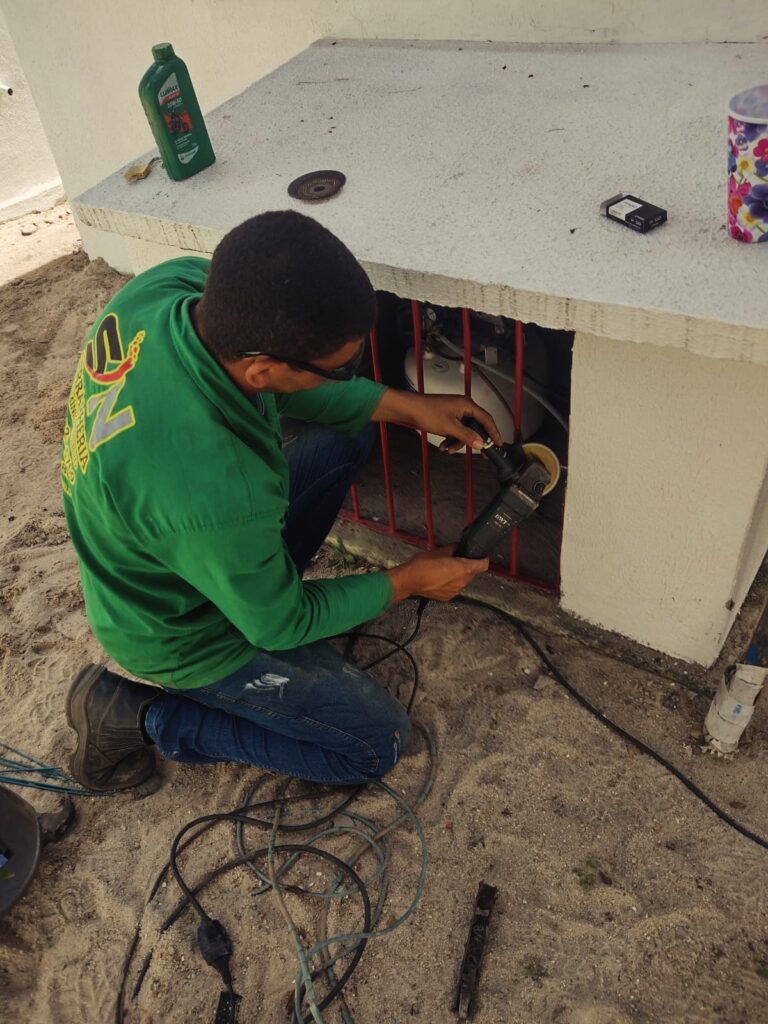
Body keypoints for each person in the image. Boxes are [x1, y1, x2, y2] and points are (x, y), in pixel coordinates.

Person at [62, 210, 500, 793]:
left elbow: (294, 397)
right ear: (263, 370)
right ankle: (138, 717)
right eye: (340, 368)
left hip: (177, 548)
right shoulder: (216, 490)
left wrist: (408, 406)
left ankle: (256, 583)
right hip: (179, 631)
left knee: (349, 430)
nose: (347, 375)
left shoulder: (170, 289)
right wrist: (410, 580)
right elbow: (283, 623)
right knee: (375, 744)